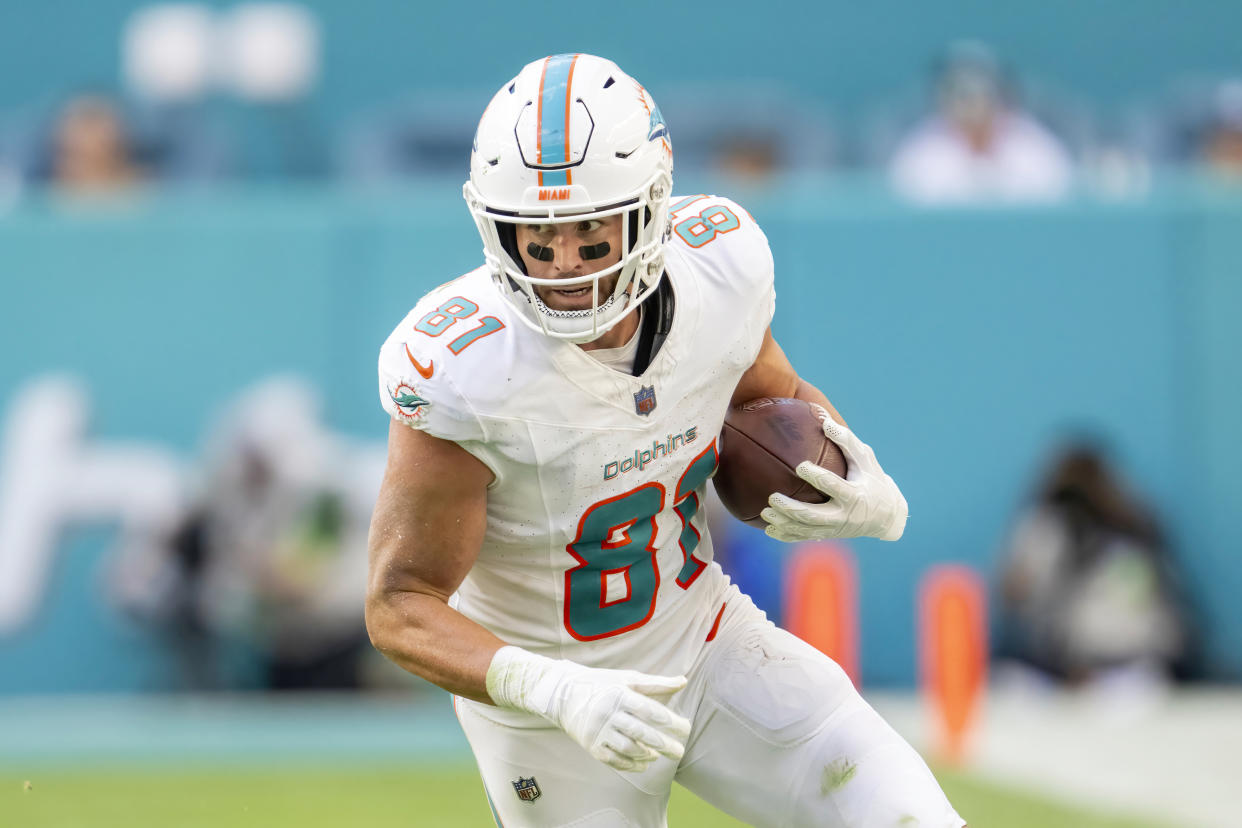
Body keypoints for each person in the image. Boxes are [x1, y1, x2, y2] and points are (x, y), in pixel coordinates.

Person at [367, 54, 964, 828]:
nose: (563, 269)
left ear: (650, 209)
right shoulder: (464, 367)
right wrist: (550, 689)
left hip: (705, 638)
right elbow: (399, 605)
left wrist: (855, 472)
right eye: (536, 240)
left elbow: (769, 400)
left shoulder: (720, 267)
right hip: (551, 714)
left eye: (589, 234)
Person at [888, 42, 1071, 203]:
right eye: (959, 94)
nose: (971, 104)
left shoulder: (1035, 149)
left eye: (981, 92)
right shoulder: (920, 154)